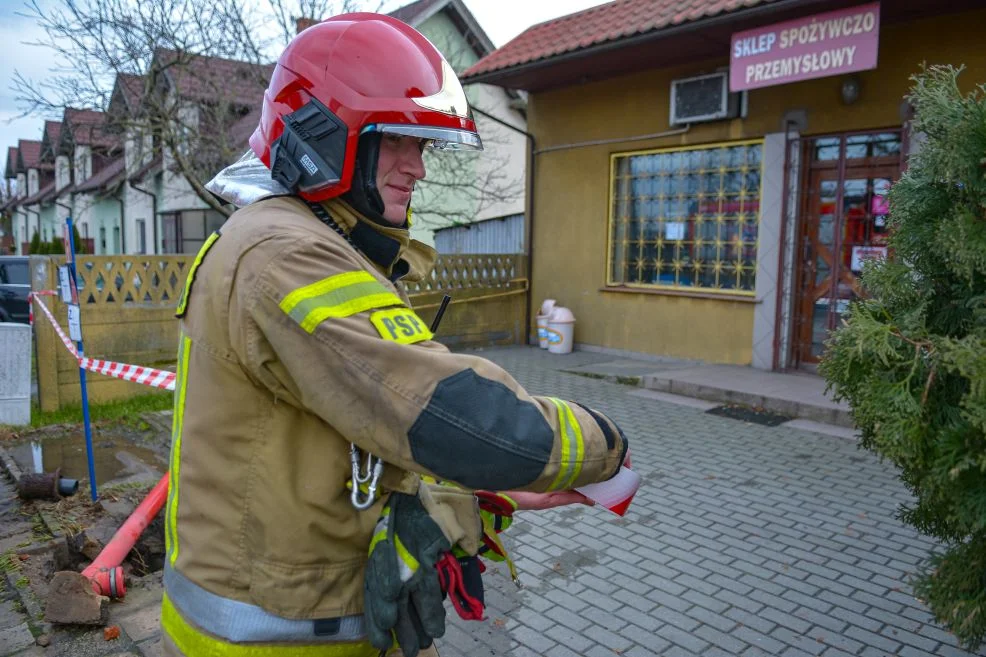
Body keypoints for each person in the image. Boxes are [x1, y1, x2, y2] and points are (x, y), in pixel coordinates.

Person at [160, 12, 630, 657]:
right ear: (322, 136)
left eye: (426, 146)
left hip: (288, 616)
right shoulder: (287, 254)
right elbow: (451, 415)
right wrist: (603, 442)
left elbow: (343, 423)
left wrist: (456, 492)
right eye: (399, 141)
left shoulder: (296, 238)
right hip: (277, 634)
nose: (419, 168)